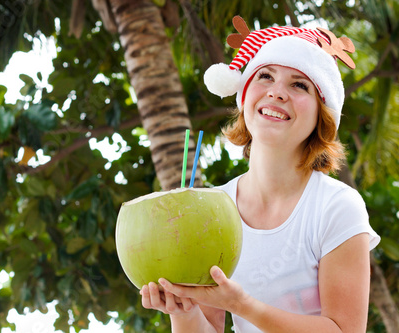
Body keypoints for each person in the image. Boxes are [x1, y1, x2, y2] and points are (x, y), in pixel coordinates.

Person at [140, 16, 380, 333]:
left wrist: (242, 305)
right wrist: (183, 311)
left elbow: (345, 330)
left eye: (299, 84)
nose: (277, 92)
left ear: (321, 117)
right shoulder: (214, 208)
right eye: (265, 76)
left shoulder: (337, 206)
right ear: (244, 96)